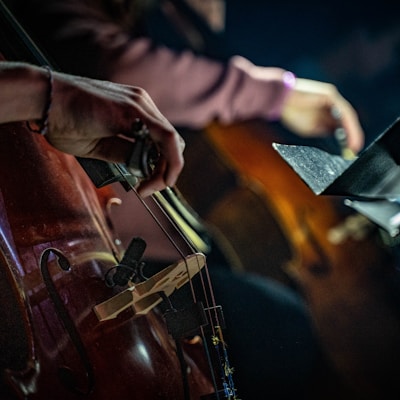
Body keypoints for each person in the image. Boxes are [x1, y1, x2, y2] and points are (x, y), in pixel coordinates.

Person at [4, 1, 385, 398]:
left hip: (150, 236)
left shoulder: (153, 15)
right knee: (275, 323)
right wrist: (278, 94)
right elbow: (122, 72)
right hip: (96, 243)